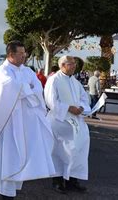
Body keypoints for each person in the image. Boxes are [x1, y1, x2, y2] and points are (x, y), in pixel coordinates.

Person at [0, 41, 55, 199]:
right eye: (21, 54)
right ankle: (5, 191)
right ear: (10, 55)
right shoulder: (3, 71)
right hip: (8, 121)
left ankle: (13, 182)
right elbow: (11, 86)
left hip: (24, 120)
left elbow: (37, 87)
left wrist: (26, 89)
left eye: (24, 53)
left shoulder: (26, 70)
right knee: (9, 154)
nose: (24, 56)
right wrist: (27, 89)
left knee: (21, 153)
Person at [44, 56, 91, 194]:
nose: (74, 66)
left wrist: (82, 107)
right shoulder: (54, 80)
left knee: (77, 150)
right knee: (59, 152)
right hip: (59, 121)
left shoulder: (75, 82)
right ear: (62, 65)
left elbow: (84, 98)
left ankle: (72, 180)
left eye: (75, 64)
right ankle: (57, 181)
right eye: (71, 64)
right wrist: (69, 108)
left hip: (75, 122)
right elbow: (50, 101)